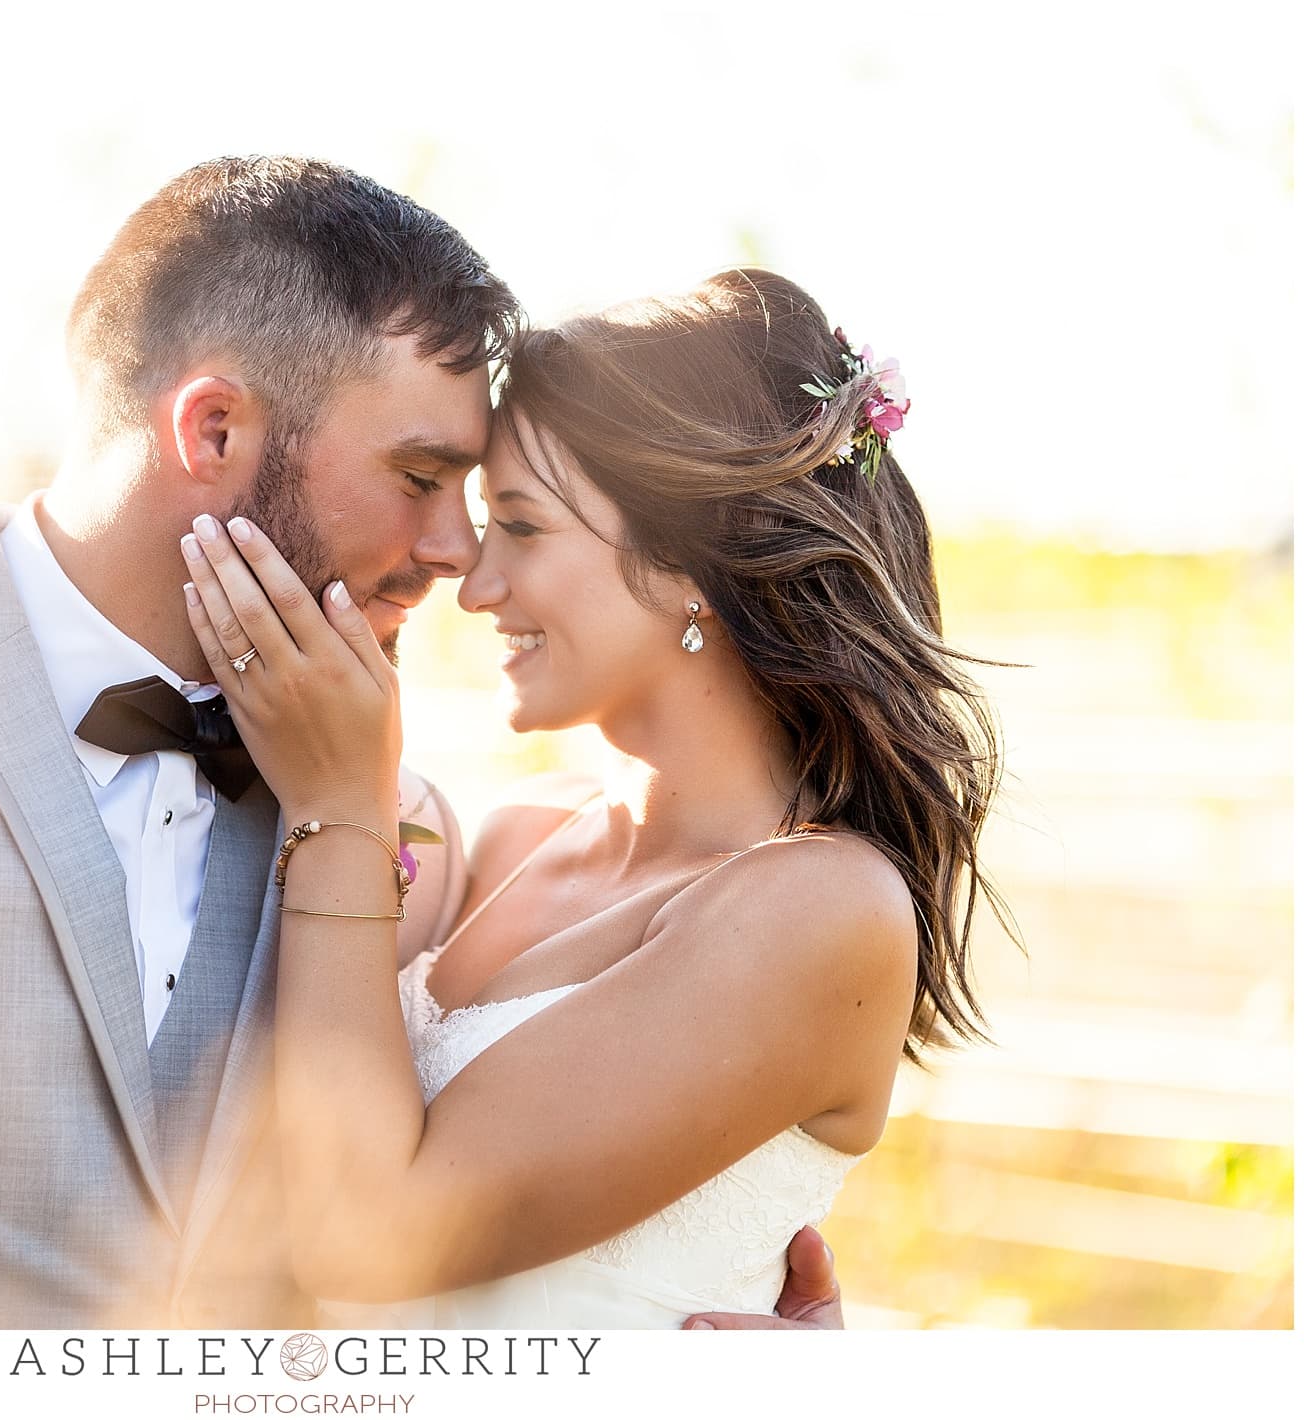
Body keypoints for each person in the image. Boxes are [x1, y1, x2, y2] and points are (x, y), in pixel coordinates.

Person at [0, 159, 840, 1328]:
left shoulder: (389, 826)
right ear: (216, 426)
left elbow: (478, 1229)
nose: (454, 551)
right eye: (421, 480)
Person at [177, 268, 1008, 1327]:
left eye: (519, 525)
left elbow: (365, 1240)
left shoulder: (821, 911)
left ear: (689, 564)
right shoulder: (509, 835)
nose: (473, 584)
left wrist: (337, 806)